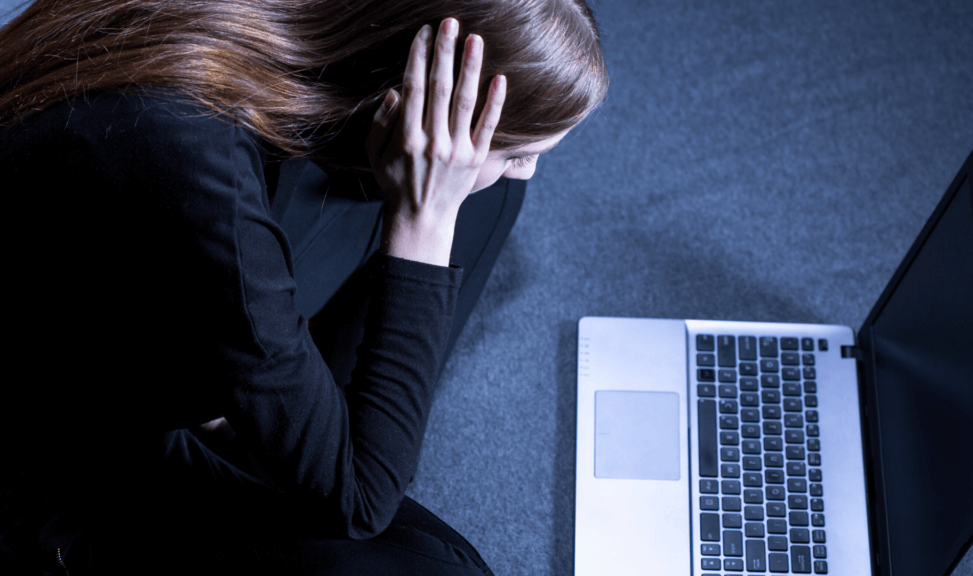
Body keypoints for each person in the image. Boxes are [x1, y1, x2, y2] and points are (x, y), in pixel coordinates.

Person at [0, 0, 606, 574]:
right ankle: (310, 425)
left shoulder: (286, 40)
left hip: (146, 351)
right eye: (524, 152)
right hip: (62, 478)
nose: (530, 168)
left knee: (483, 190)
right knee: (429, 560)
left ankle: (309, 420)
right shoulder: (202, 171)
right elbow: (359, 504)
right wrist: (422, 226)